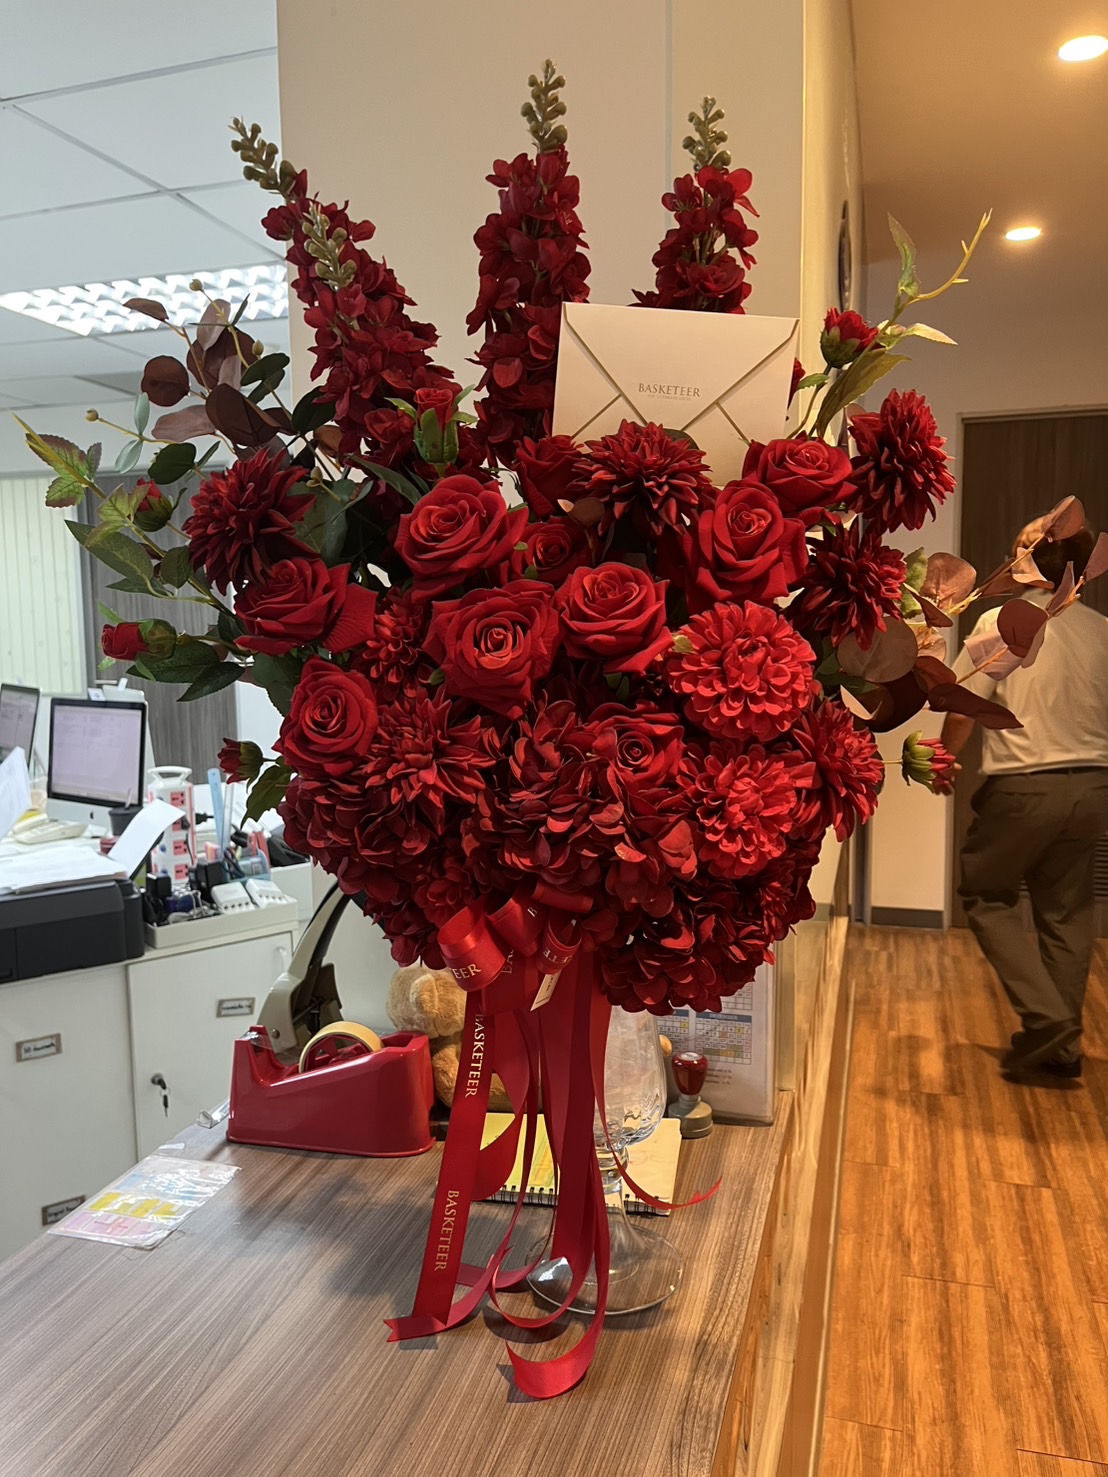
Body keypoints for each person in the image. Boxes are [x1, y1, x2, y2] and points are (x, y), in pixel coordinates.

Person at [941, 520, 1108, 1079]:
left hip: (1023, 787)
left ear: (1034, 561)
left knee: (986, 893)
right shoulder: (1102, 630)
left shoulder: (1003, 620)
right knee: (1066, 909)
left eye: (1021, 547)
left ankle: (1048, 1020)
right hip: (1092, 788)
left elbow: (966, 702)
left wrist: (944, 761)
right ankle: (1058, 1051)